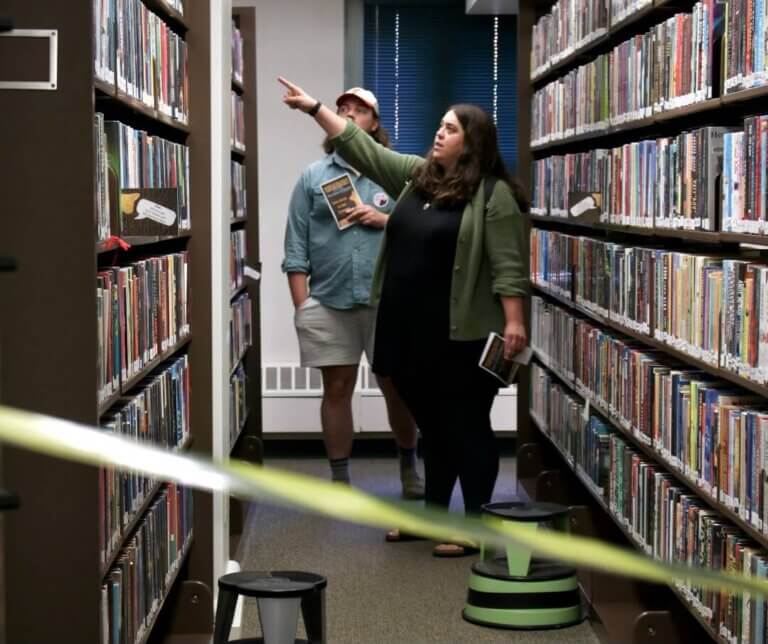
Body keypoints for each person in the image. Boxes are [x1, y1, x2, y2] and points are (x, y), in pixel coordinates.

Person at [278, 77, 530, 557]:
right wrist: (313, 107)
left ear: (471, 142)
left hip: (462, 334)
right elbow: (364, 151)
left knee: (468, 425)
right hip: (411, 331)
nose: (439, 134)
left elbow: (509, 265)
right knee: (434, 427)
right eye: (439, 126)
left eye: (450, 129)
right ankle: (433, 517)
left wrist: (515, 322)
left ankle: (475, 525)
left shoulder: (492, 195)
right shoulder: (419, 177)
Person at [281, 86, 425, 500]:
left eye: (358, 111)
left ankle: (408, 470)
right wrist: (302, 305)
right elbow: (295, 246)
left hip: (388, 302)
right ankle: (341, 481)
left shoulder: (396, 174)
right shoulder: (313, 177)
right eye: (342, 109)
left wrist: (385, 219)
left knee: (395, 387)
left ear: (373, 124)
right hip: (329, 303)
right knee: (337, 389)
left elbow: (426, 228)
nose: (348, 114)